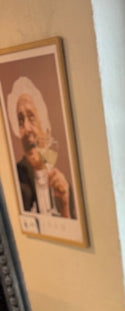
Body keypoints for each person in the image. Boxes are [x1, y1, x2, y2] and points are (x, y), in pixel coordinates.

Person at [6, 76, 75, 218]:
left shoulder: (64, 185)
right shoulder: (14, 182)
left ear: (46, 130)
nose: (26, 128)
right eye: (20, 121)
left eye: (31, 117)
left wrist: (64, 208)